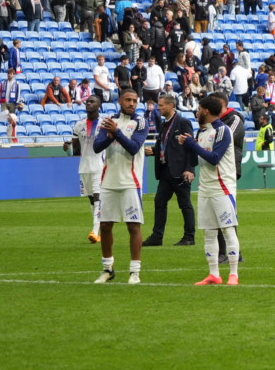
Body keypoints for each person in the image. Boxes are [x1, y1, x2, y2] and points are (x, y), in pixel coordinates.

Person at [92, 89, 149, 285]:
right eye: (128, 100)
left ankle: (135, 271)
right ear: (120, 101)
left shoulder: (141, 122)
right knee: (106, 225)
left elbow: (134, 147)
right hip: (109, 181)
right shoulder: (108, 120)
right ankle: (108, 269)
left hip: (131, 182)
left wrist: (115, 132)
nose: (132, 103)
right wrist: (109, 135)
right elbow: (97, 147)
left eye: (134, 100)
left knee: (133, 226)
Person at [184, 94, 241, 286]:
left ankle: (233, 273)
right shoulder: (201, 132)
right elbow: (196, 161)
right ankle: (214, 274)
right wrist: (187, 147)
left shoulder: (223, 130)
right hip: (205, 187)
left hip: (222, 187)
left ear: (206, 111)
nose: (197, 113)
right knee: (209, 232)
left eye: (199, 109)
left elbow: (214, 158)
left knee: (227, 229)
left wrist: (192, 145)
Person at [146, 93, 196, 247]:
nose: (159, 108)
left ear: (171, 106)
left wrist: (190, 169)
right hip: (166, 170)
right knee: (159, 201)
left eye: (161, 105)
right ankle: (157, 236)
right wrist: (154, 151)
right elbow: (166, 145)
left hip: (180, 171)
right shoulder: (164, 124)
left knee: (185, 204)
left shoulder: (183, 122)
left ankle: (189, 237)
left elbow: (191, 147)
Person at [71, 95, 105, 244]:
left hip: (100, 166)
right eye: (87, 102)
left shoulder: (105, 123)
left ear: (99, 105)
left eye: (92, 102)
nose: (89, 104)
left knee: (98, 197)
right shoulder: (79, 125)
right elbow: (75, 149)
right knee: (92, 199)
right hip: (84, 166)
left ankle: (95, 230)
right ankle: (100, 230)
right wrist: (69, 146)